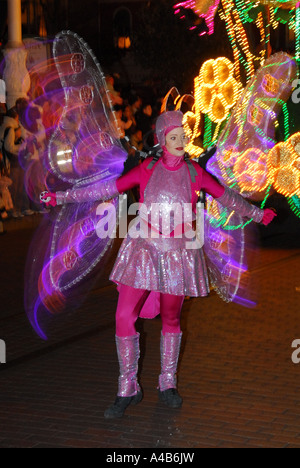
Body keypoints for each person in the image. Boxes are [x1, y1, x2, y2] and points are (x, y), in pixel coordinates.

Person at [40, 111, 276, 419]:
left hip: (178, 254)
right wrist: (61, 196)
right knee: (123, 315)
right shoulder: (146, 169)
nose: (181, 142)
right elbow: (105, 190)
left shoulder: (194, 173)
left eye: (183, 137)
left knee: (171, 319)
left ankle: (167, 383)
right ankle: (127, 387)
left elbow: (227, 196)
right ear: (162, 140)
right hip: (143, 251)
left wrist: (257, 214)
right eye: (174, 137)